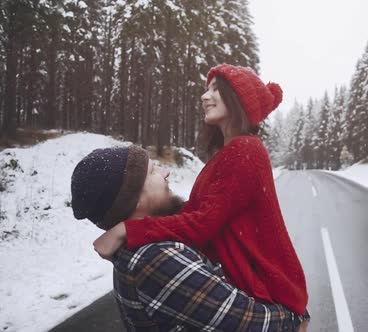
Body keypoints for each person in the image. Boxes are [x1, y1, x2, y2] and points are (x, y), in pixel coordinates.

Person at [93, 64, 310, 318]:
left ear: (238, 98)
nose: (205, 96)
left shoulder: (246, 151)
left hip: (267, 292)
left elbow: (203, 223)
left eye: (216, 89)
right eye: (207, 90)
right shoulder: (228, 153)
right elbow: (195, 212)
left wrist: (126, 231)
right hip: (249, 285)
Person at [71, 145, 307, 331]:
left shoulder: (147, 243)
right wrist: (294, 317)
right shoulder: (154, 258)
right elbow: (251, 324)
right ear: (135, 200)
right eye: (153, 171)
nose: (166, 172)